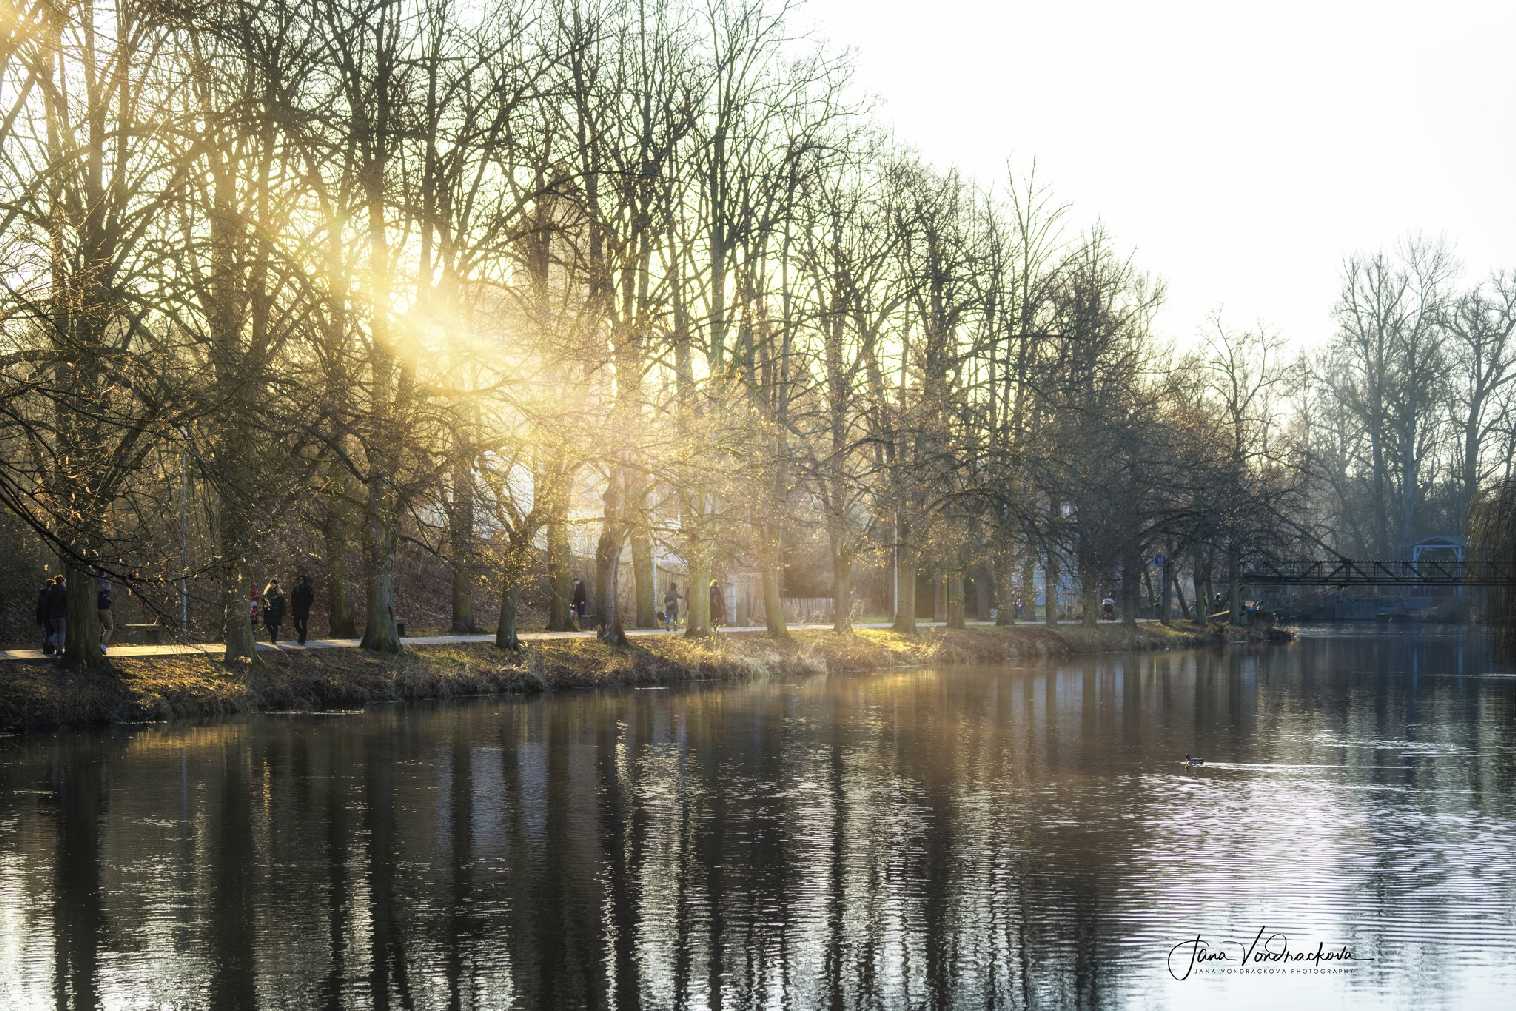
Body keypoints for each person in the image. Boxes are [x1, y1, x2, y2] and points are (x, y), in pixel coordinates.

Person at [44, 575, 68, 657]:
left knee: (56, 632)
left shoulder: (50, 591)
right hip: (61, 615)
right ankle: (59, 649)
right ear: (62, 581)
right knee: (62, 632)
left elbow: (47, 603)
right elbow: (66, 603)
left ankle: (53, 643)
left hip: (52, 616)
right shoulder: (64, 590)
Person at [290, 571, 314, 646]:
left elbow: (311, 598)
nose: (301, 581)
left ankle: (302, 639)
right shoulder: (296, 588)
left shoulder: (308, 588)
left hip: (304, 609)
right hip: (296, 609)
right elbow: (292, 597)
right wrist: (293, 606)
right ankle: (302, 635)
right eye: (299, 580)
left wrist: (307, 605)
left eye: (302, 580)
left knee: (304, 624)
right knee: (296, 624)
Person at [262, 579, 286, 644]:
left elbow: (282, 603)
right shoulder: (267, 591)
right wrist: (265, 606)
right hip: (269, 611)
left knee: (275, 626)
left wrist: (283, 612)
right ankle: (272, 636)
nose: (272, 585)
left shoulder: (279, 592)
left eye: (274, 583)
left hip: (276, 611)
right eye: (271, 583)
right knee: (268, 625)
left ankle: (273, 640)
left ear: (276, 584)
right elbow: (264, 600)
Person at [97, 576, 114, 655]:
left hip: (96, 609)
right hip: (104, 609)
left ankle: (98, 643)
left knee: (100, 628)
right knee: (109, 628)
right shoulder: (106, 588)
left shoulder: (97, 587)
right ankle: (103, 645)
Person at [36, 581, 51, 654]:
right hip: (49, 615)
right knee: (50, 633)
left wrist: (39, 618)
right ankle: (48, 648)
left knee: (47, 632)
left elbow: (39, 607)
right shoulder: (50, 594)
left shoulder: (42, 594)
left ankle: (46, 647)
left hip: (43, 616)